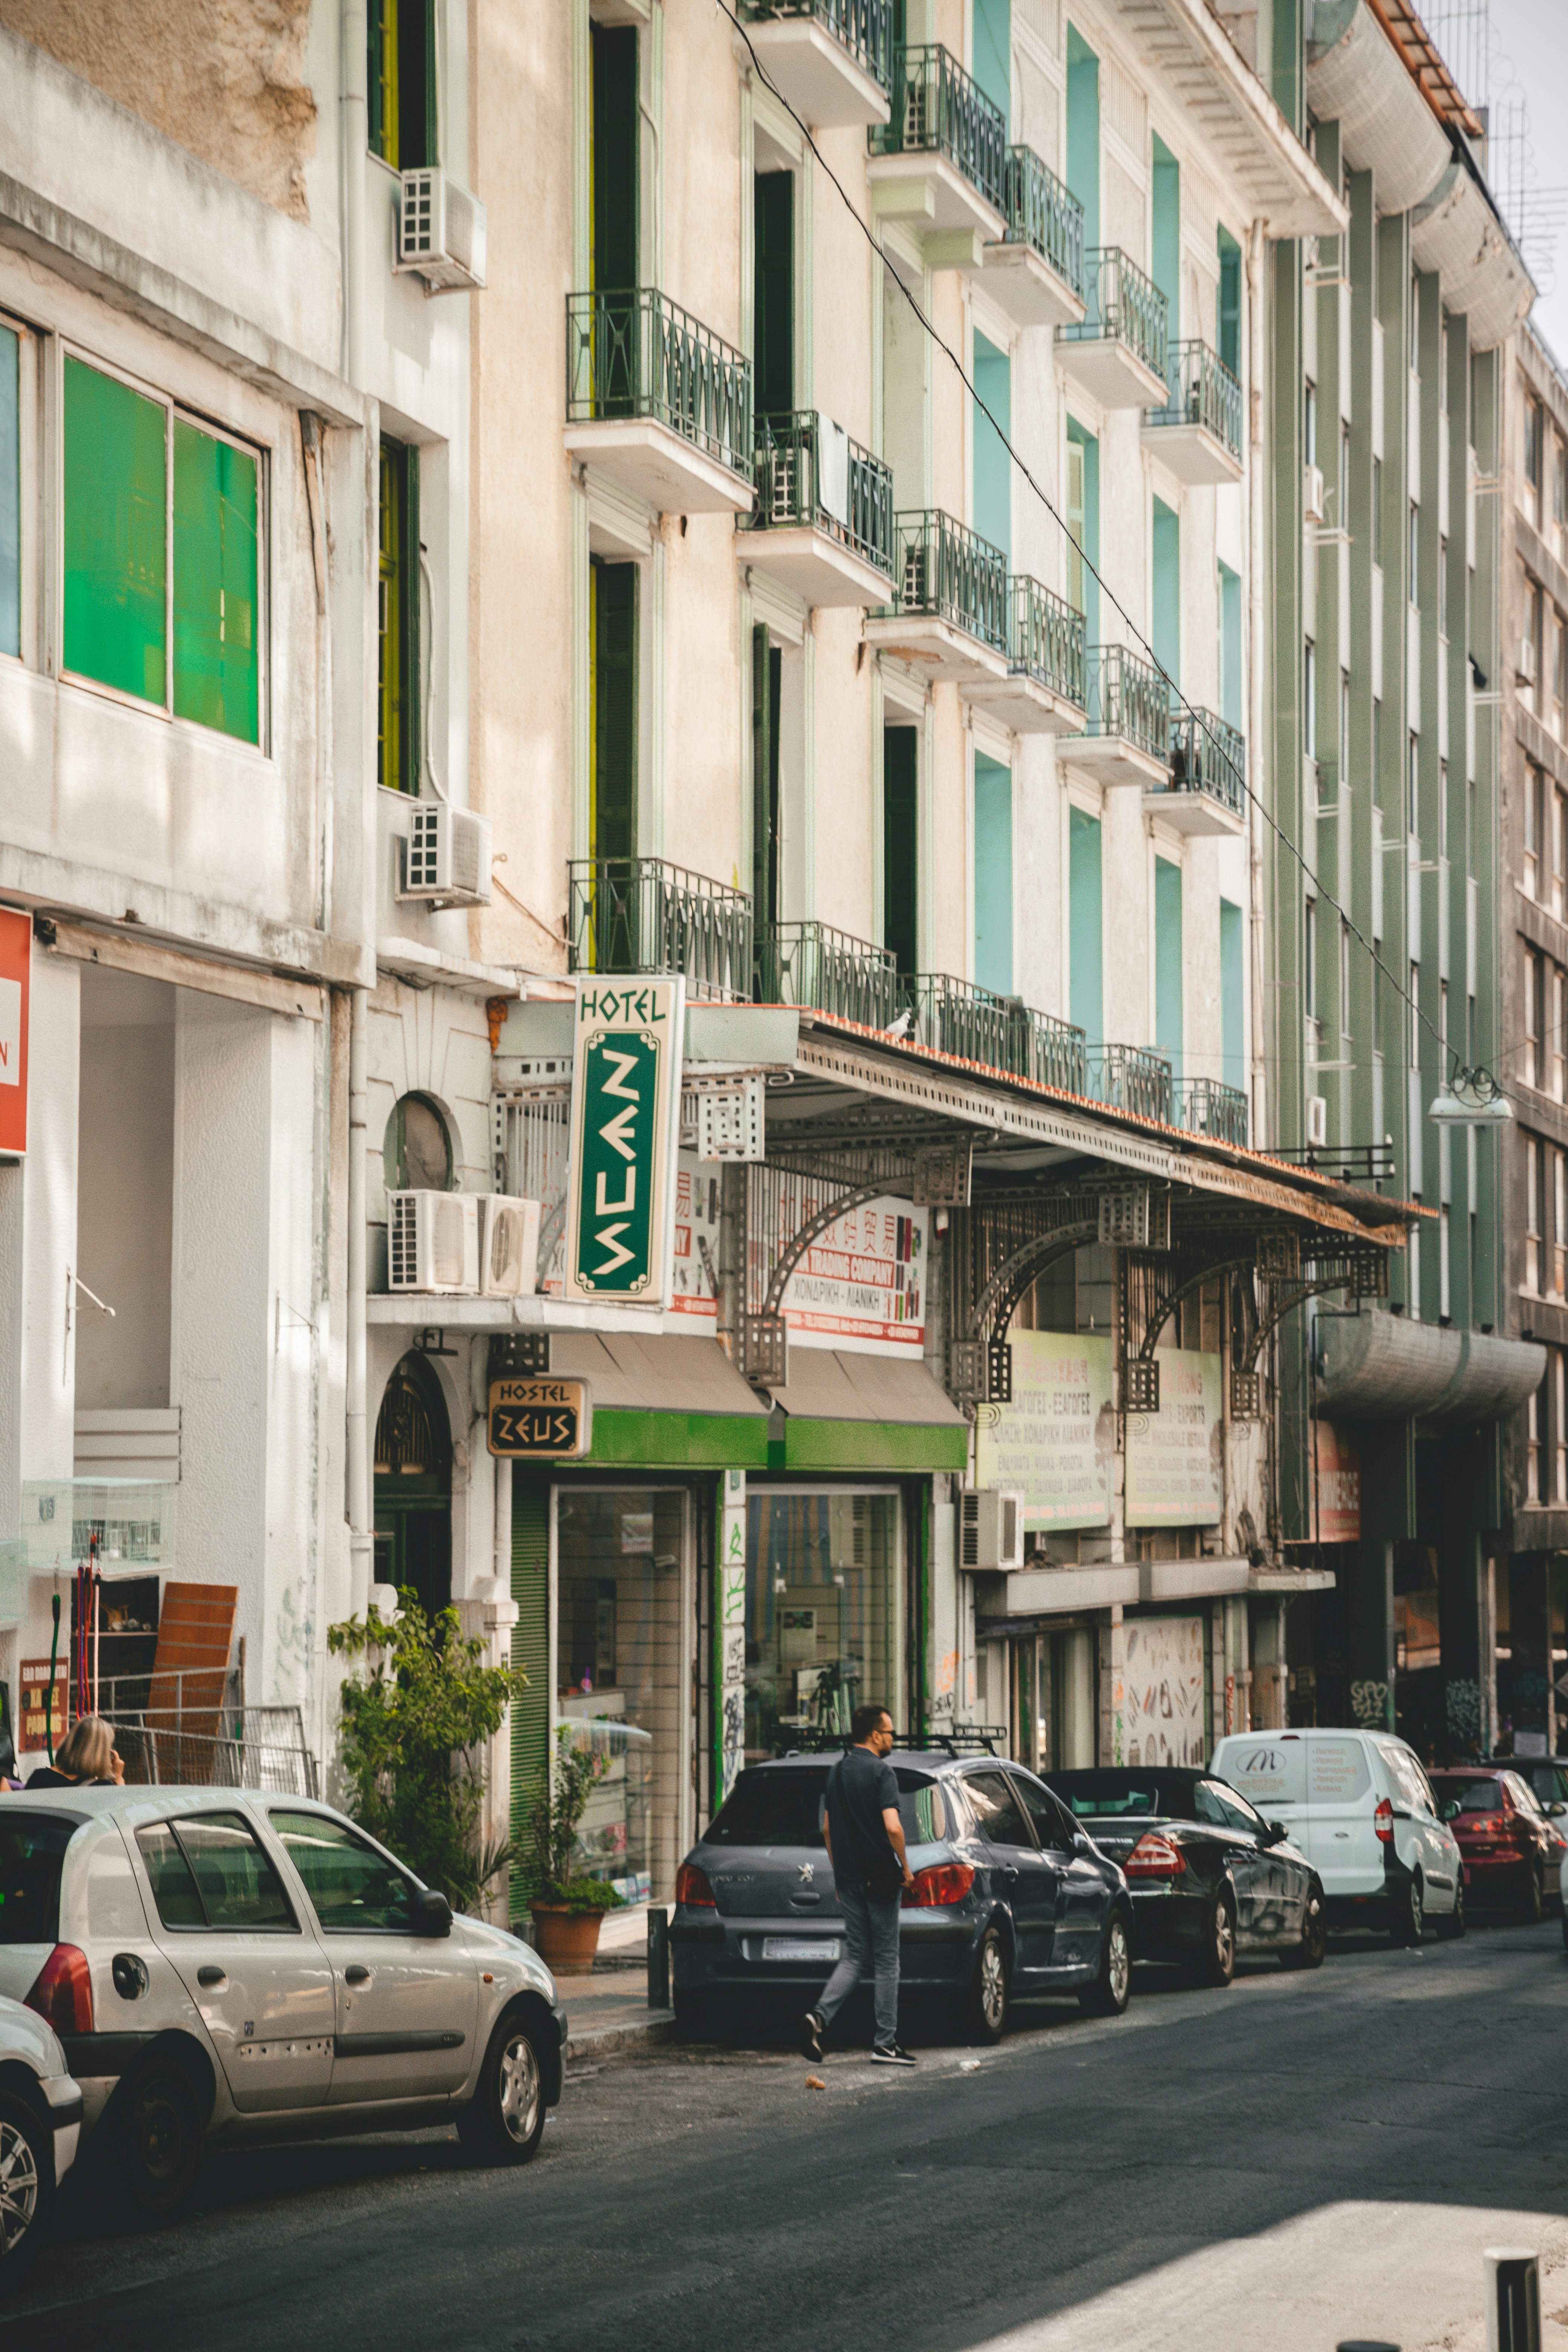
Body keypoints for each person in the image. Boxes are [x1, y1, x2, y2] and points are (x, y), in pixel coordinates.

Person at [801, 1704, 916, 2069]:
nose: (893, 1738)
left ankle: (819, 2016)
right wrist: (906, 1867)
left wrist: (840, 1874)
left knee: (854, 1955)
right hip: (880, 1877)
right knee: (887, 1960)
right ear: (875, 1735)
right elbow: (893, 1827)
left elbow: (827, 1829)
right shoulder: (882, 1772)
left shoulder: (836, 1772)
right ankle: (885, 2044)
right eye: (890, 1733)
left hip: (849, 1879)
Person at [24, 1715, 125, 1790]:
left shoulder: (40, 1777)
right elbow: (125, 1810)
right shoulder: (101, 1789)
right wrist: (118, 1778)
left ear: (70, 1742)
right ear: (102, 1754)